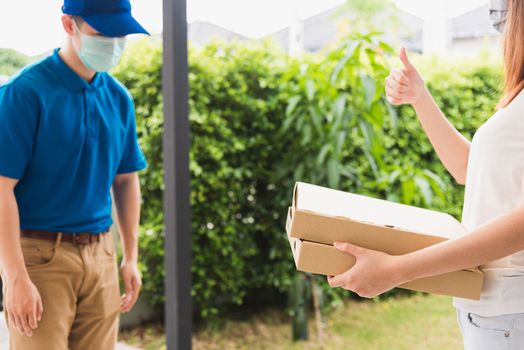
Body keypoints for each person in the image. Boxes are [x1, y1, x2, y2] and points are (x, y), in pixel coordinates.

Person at [327, 0, 524, 349]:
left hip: (511, 316)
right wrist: (420, 98)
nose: (498, 27)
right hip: (494, 315)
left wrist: (396, 269)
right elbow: (470, 170)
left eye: (502, 14)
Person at [0, 0, 149, 349]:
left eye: (121, 35)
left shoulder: (118, 98)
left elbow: (126, 180)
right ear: (69, 25)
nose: (114, 43)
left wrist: (131, 257)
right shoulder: (23, 94)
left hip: (101, 254)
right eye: (103, 34)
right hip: (39, 258)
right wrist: (14, 276)